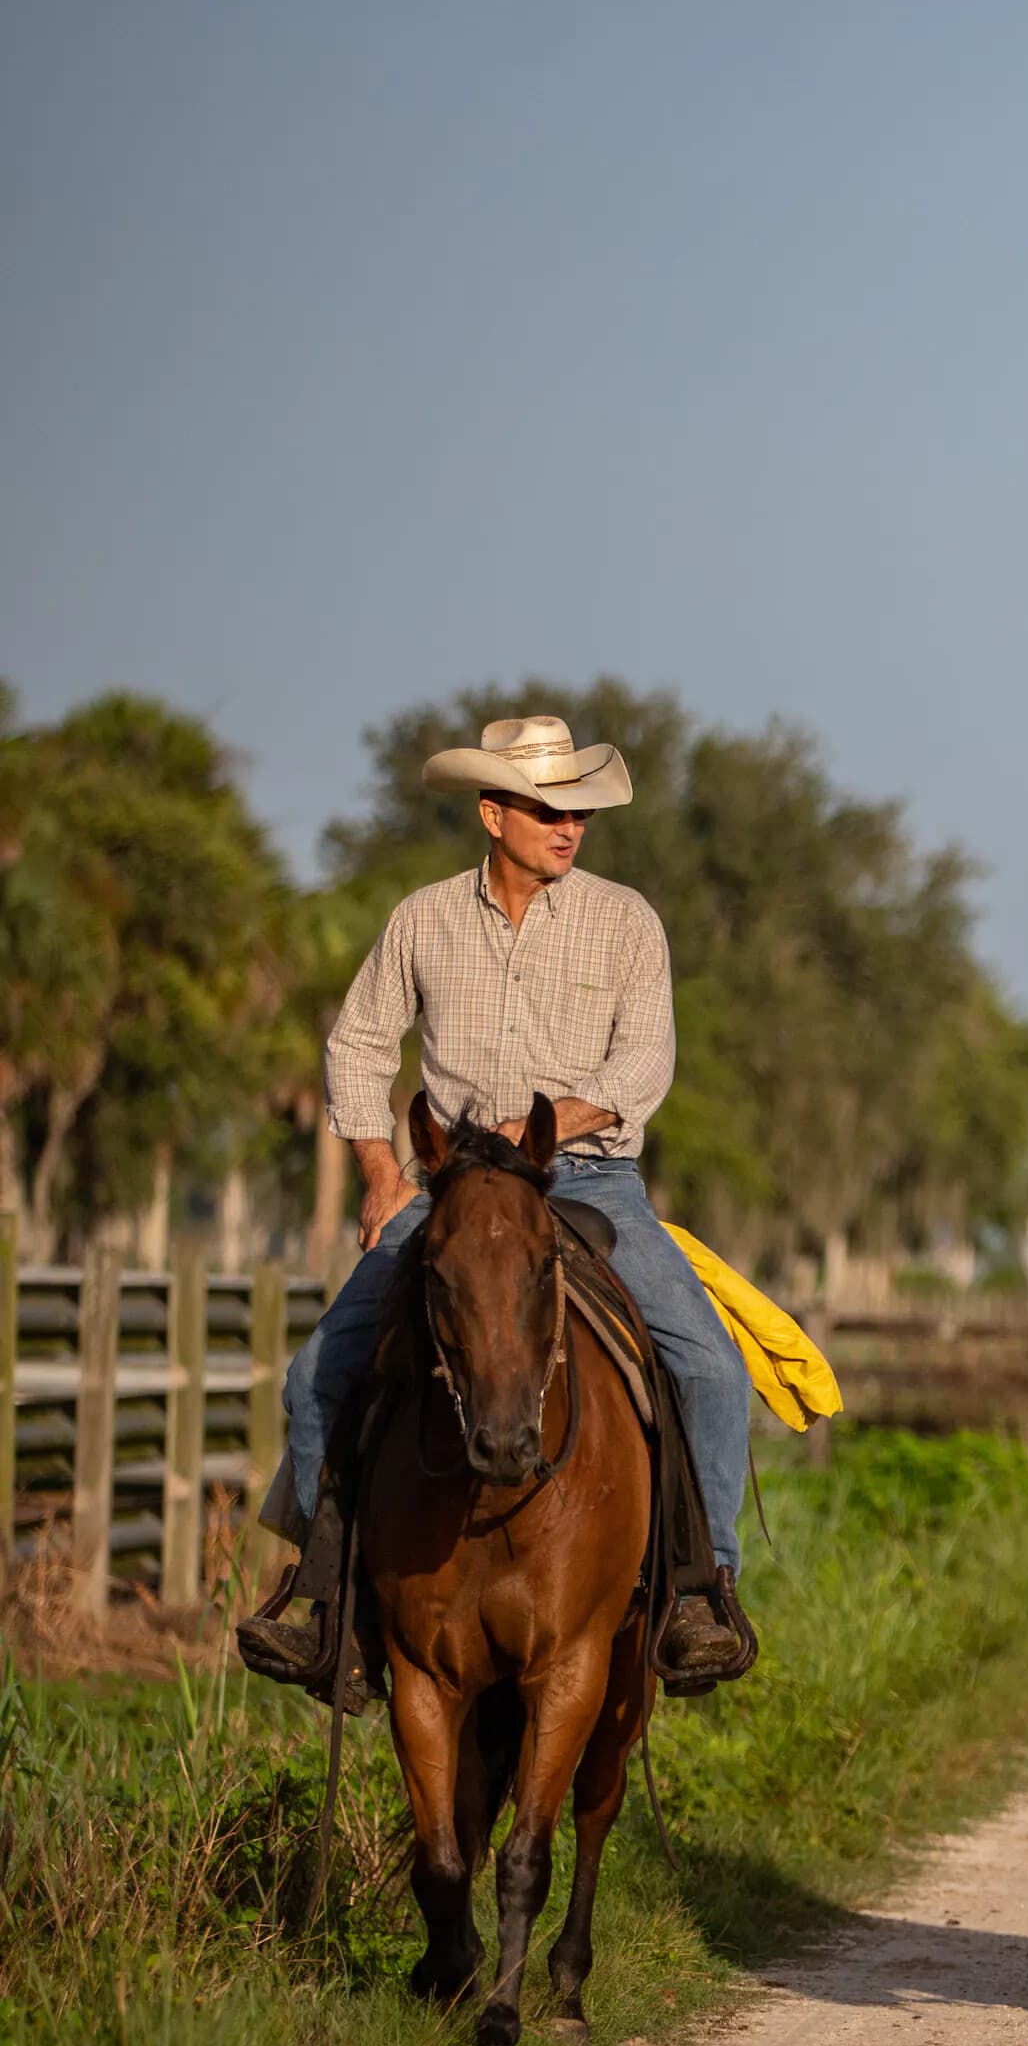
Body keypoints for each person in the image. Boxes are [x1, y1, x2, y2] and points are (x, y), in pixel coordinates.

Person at [235, 715, 760, 1704]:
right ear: (493, 812)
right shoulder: (422, 920)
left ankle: (702, 1590)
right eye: (547, 809)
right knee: (315, 1377)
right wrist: (381, 1168)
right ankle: (328, 1606)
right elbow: (357, 1044)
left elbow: (643, 1064)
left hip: (588, 1182)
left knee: (712, 1369)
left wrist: (544, 1122)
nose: (570, 827)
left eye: (580, 811)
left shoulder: (627, 920)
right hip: (455, 1189)